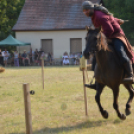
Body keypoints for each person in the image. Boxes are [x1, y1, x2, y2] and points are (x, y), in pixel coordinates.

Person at [82, 1, 134, 89]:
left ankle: (130, 75)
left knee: (119, 51)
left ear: (91, 9)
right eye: (84, 11)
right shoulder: (93, 16)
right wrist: (116, 20)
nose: (85, 12)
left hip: (117, 35)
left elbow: (110, 30)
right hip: (107, 36)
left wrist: (102, 38)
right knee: (97, 52)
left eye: (86, 10)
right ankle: (97, 81)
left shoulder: (99, 16)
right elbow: (109, 19)